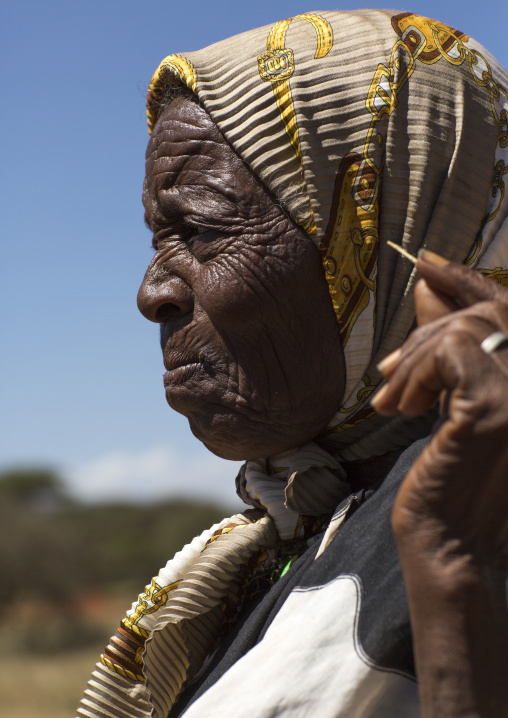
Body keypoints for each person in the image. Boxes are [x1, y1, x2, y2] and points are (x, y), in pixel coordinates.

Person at [77, 10, 508, 718]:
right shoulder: (292, 541)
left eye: (203, 230)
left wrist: (455, 563)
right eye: (159, 238)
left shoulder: (469, 520)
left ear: (383, 229)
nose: (152, 293)